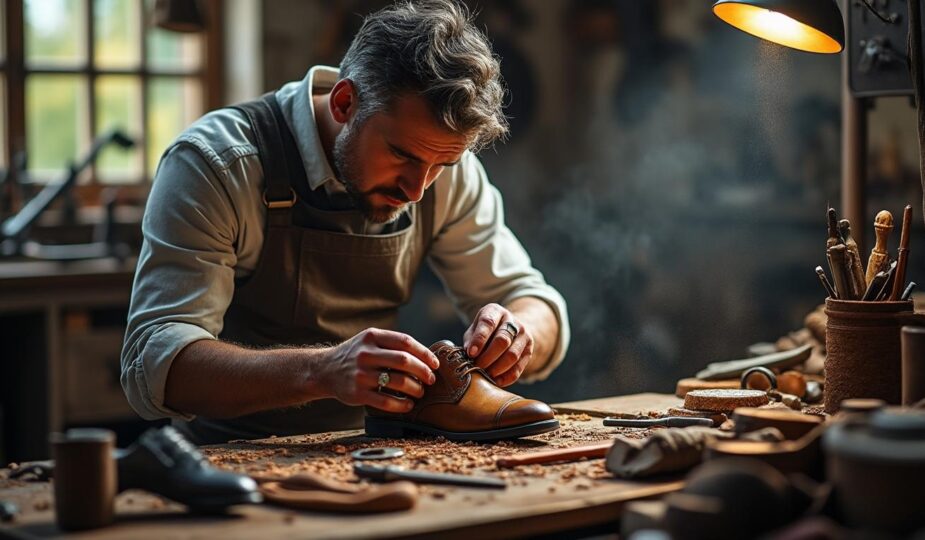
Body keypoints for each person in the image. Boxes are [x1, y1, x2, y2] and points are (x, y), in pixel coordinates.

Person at [121, 0, 570, 444]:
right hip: (227, 463)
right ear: (344, 102)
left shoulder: (443, 171)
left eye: (441, 165)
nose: (417, 189)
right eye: (401, 155)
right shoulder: (217, 165)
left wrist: (517, 332)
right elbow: (156, 366)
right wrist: (321, 371)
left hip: (372, 455)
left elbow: (534, 301)